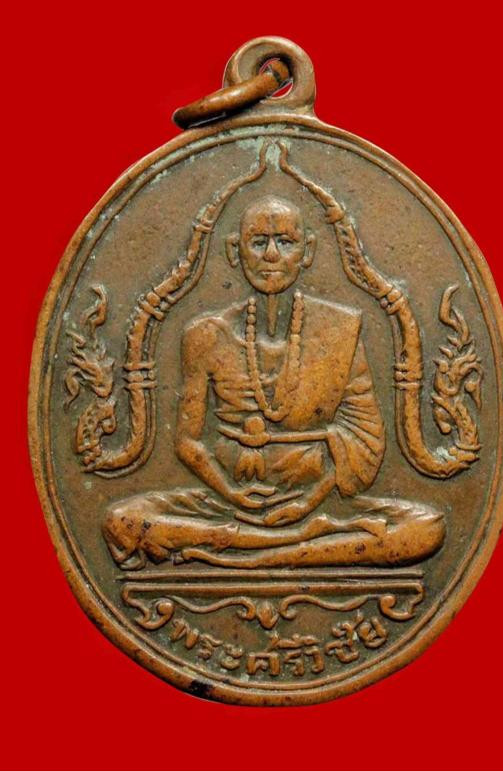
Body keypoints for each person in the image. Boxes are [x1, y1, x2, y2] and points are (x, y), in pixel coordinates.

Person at [103, 196, 444, 569]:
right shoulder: (205, 334)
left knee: (427, 527)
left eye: (285, 242)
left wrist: (309, 502)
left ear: (307, 252)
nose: (270, 255)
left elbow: (364, 439)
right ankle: (297, 545)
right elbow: (188, 442)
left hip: (319, 502)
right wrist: (232, 494)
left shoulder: (340, 330)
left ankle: (252, 549)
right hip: (224, 503)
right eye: (258, 241)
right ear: (234, 251)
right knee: (122, 520)